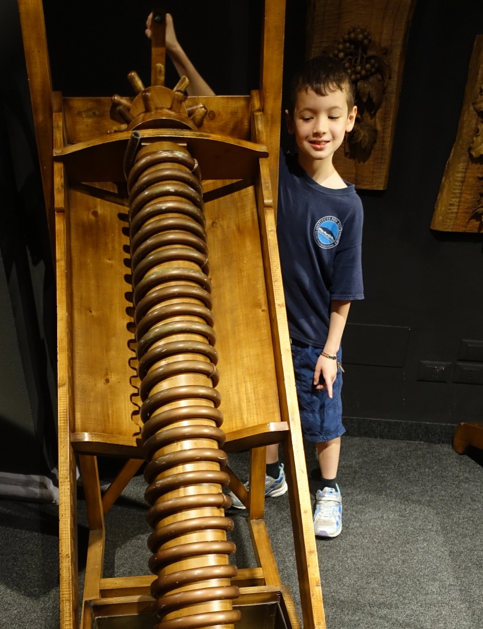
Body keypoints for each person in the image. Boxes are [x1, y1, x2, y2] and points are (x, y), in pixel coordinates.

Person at [144, 16, 364, 539]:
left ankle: (328, 489)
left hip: (313, 339)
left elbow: (345, 290)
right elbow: (216, 113)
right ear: (292, 120)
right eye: (309, 116)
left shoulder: (349, 207)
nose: (320, 128)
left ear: (350, 120)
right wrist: (174, 48)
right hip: (262, 326)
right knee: (264, 411)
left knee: (322, 423)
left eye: (332, 116)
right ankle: (274, 476)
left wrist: (331, 352)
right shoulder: (276, 172)